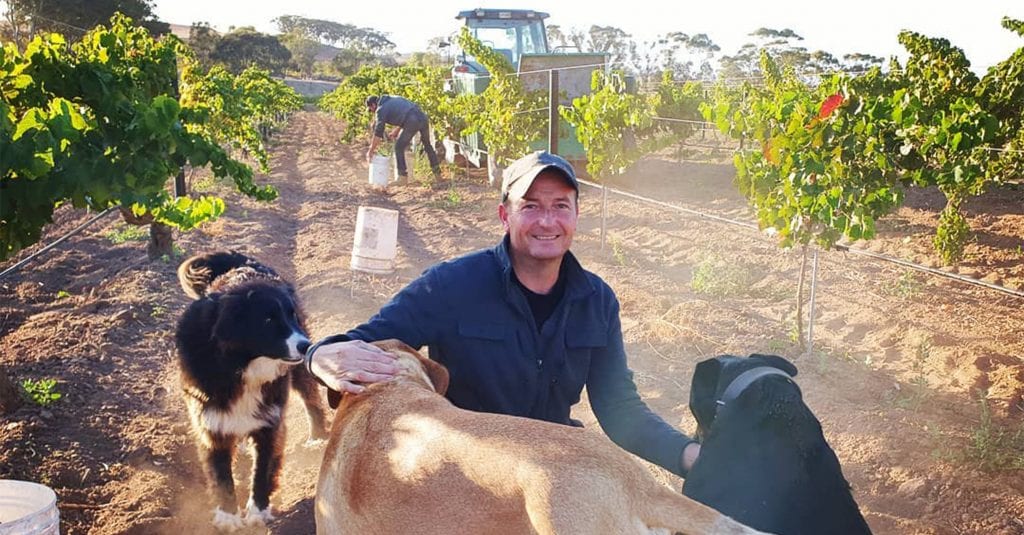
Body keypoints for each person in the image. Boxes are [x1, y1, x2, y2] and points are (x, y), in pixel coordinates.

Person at [307, 150, 701, 476]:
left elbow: (619, 408)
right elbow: (370, 338)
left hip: (553, 467)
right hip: (463, 471)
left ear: (577, 215)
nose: (547, 221)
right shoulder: (452, 285)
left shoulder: (597, 300)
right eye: (531, 206)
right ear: (504, 215)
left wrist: (688, 457)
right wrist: (319, 354)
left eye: (560, 206)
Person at [365, 95, 442, 182]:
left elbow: (378, 132)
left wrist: (370, 150)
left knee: (398, 147)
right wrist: (397, 131)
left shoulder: (381, 109)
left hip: (412, 121)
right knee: (427, 145)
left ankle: (402, 177)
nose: (372, 112)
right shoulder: (394, 98)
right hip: (423, 117)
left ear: (373, 105)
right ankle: (438, 175)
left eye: (371, 110)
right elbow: (407, 113)